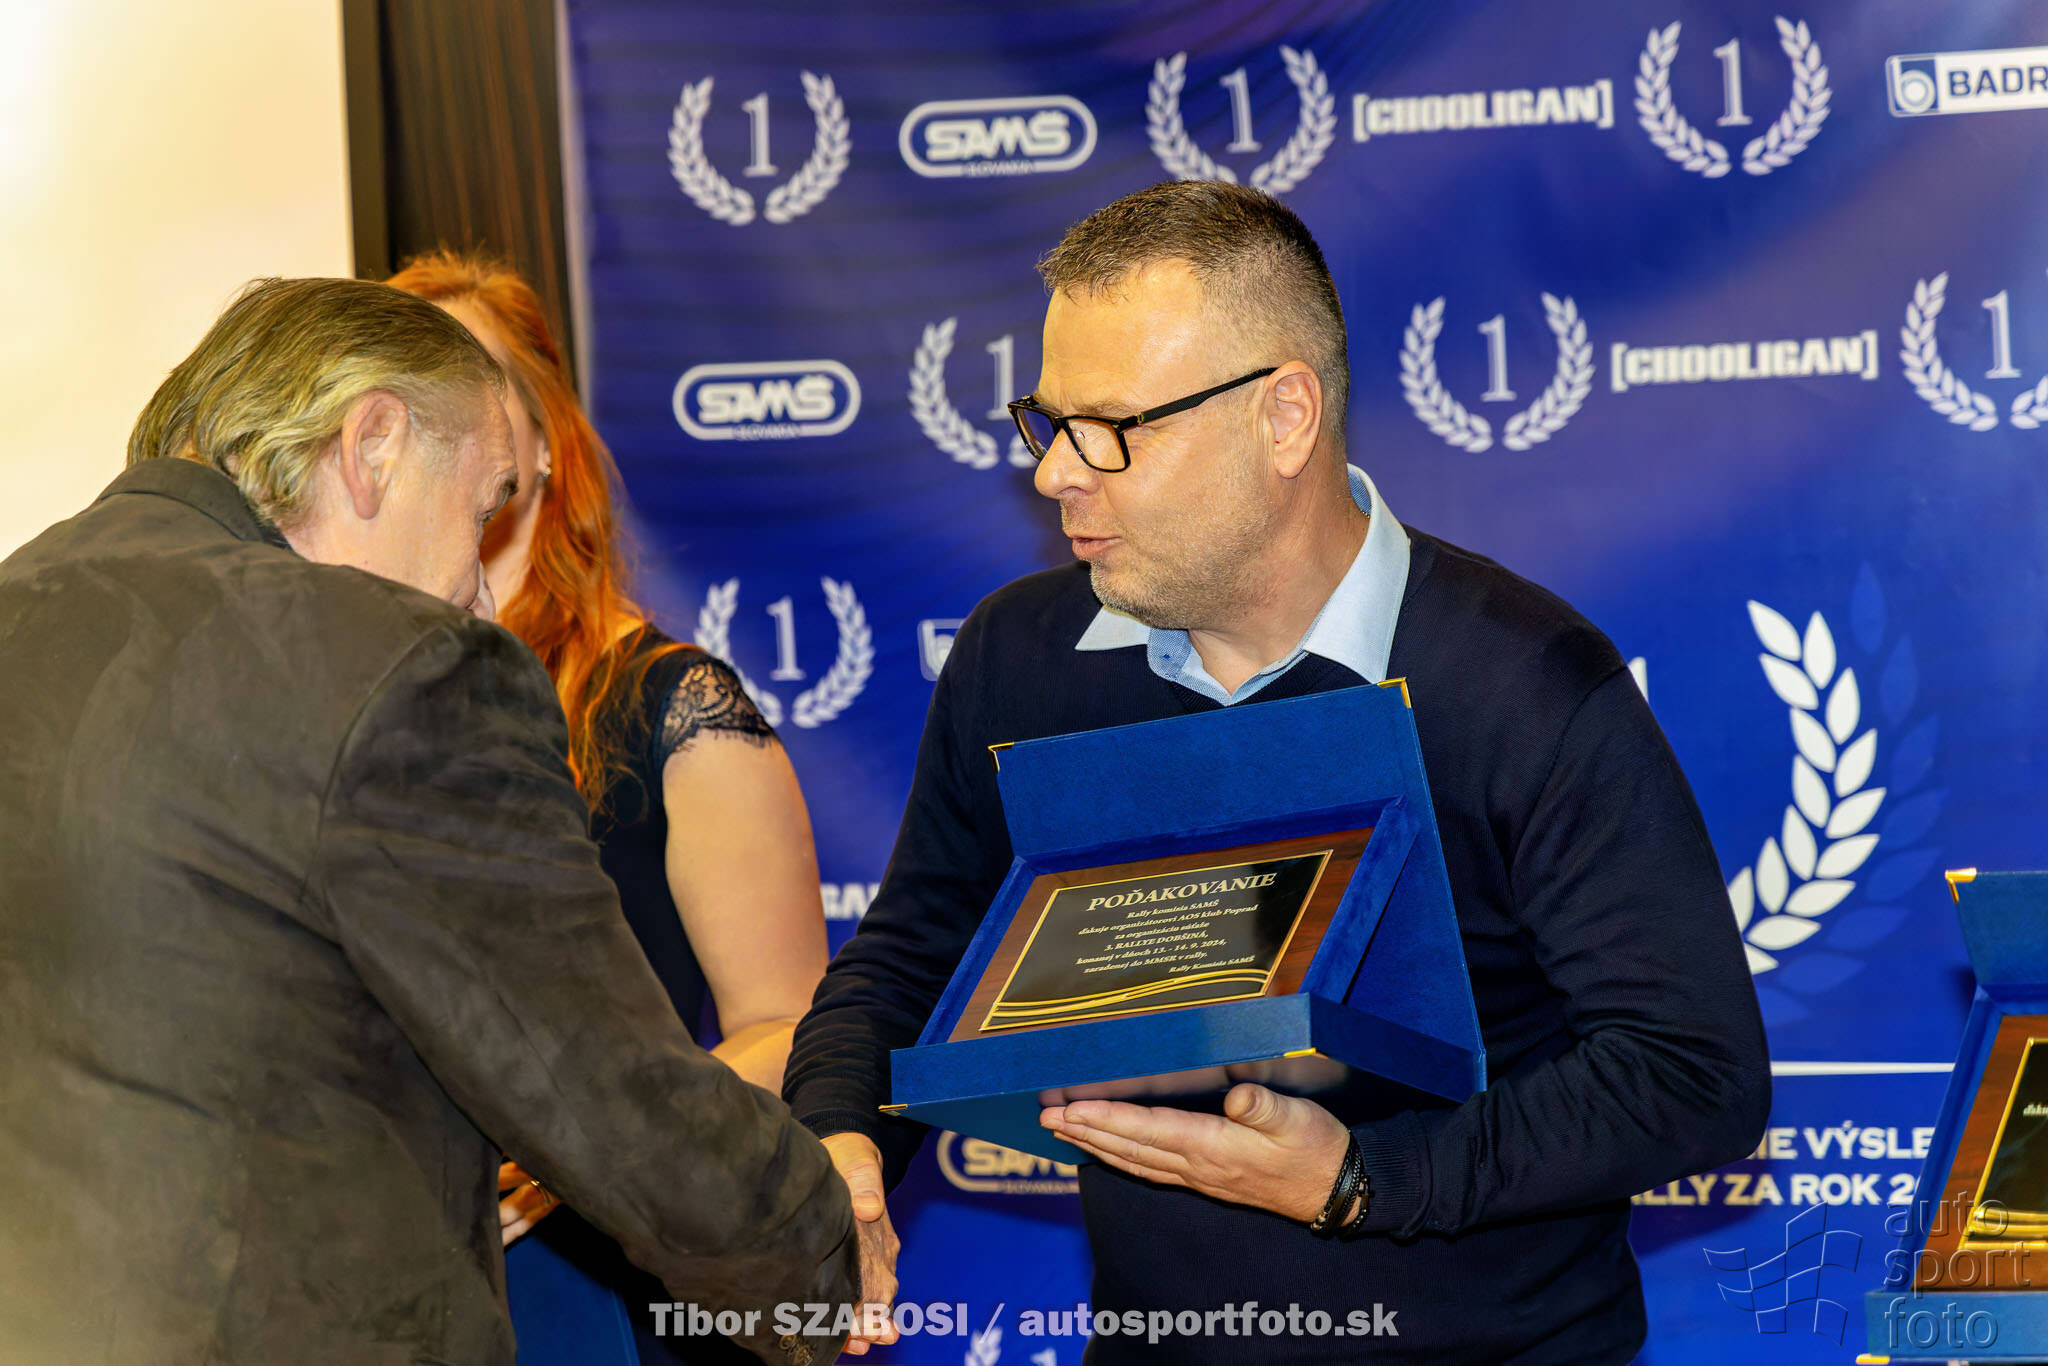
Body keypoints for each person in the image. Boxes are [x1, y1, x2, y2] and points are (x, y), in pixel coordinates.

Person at [784, 182, 1772, 1363]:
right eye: (1047, 423)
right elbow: (913, 952)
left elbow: (1690, 1073)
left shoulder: (1520, 683)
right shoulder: (1022, 661)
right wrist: (836, 1139)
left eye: (1109, 428)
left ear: (1284, 416)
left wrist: (1363, 1179)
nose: (1055, 475)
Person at [0, 277, 861, 1366]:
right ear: (373, 446)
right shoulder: (401, 668)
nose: (478, 594)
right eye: (480, 509)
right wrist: (821, 1265)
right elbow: (599, 1089)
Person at [385, 251, 834, 1364]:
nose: (440, 426)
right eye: (402, 397)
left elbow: (792, 1025)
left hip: (597, 1284)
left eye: (471, 384)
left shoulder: (671, 704)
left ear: (545, 442)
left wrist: (590, 1140)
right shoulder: (333, 710)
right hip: (379, 1278)